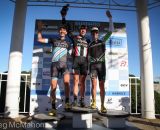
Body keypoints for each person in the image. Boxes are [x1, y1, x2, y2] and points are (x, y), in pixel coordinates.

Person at [37, 22, 71, 116]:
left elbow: (72, 55)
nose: (62, 31)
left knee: (67, 84)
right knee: (53, 87)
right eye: (60, 29)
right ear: (59, 31)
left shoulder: (69, 43)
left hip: (65, 65)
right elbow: (39, 39)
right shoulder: (53, 40)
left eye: (64, 30)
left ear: (66, 32)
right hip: (54, 65)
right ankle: (53, 108)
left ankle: (67, 103)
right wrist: (40, 29)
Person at [61, 6, 90, 107]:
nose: (83, 30)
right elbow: (67, 30)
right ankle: (75, 100)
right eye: (82, 29)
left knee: (83, 82)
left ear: (86, 31)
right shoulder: (75, 37)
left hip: (85, 63)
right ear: (80, 30)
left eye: (84, 30)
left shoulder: (88, 41)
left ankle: (82, 100)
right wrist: (63, 17)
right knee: (76, 81)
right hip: (76, 61)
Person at [88, 10, 114, 113]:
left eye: (96, 32)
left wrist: (110, 19)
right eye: (93, 32)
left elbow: (111, 31)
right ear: (91, 34)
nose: (94, 34)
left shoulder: (103, 40)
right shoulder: (89, 43)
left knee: (101, 86)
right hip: (93, 67)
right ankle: (94, 102)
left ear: (98, 33)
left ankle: (102, 105)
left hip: (102, 66)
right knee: (94, 85)